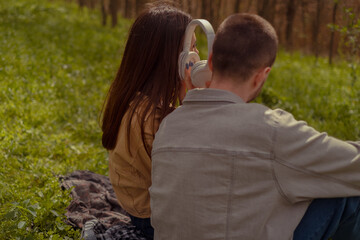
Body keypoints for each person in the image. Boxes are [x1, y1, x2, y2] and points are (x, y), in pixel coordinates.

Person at [150, 13, 360, 240]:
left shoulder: (168, 126)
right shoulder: (272, 129)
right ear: (262, 76)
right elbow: (352, 166)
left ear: (209, 62)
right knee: (346, 194)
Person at [100, 3, 197, 239]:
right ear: (173, 57)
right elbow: (189, 175)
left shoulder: (136, 100)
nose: (196, 59)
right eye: (192, 50)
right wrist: (193, 100)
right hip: (155, 221)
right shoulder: (150, 119)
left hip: (144, 211)